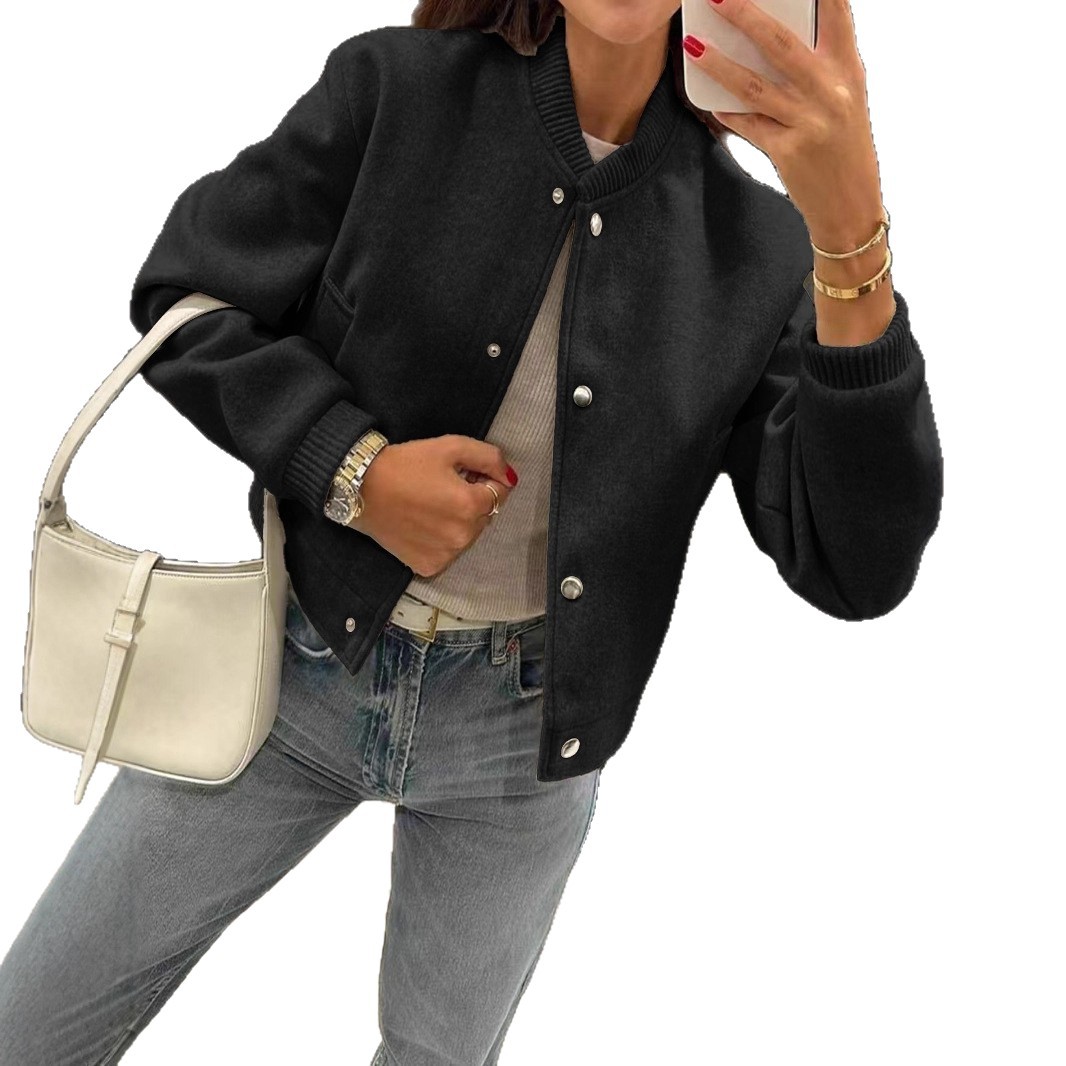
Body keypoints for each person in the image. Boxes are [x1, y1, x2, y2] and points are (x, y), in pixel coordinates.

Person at [0, 1, 944, 1063]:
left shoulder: (759, 251)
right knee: (29, 1027)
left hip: (523, 747)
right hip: (286, 677)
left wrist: (849, 234)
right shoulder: (394, 92)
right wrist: (353, 469)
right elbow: (190, 295)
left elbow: (856, 564)